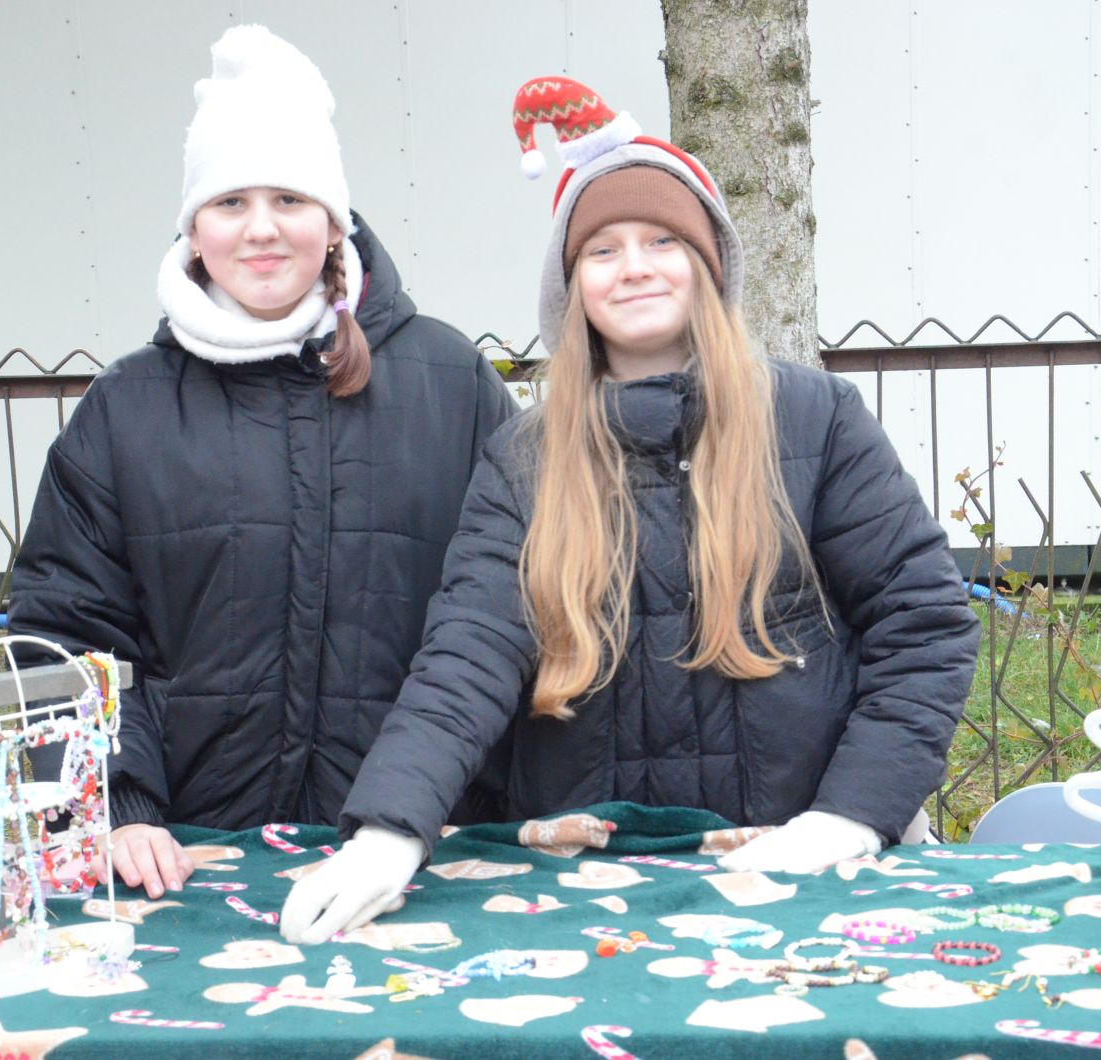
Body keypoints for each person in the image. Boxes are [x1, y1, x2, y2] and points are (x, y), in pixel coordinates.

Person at [279, 77, 980, 943]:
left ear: (708, 265)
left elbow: (923, 625)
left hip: (799, 865)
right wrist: (391, 829)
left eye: (662, 240)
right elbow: (467, 656)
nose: (636, 266)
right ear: (572, 286)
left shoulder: (815, 421)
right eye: (603, 250)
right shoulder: (525, 459)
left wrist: (851, 816)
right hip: (585, 890)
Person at [8, 27, 515, 900]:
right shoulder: (125, 409)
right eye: (230, 201)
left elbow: (508, 612)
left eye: (289, 197)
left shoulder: (451, 382)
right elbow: (65, 631)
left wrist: (434, 811)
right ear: (193, 229)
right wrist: (117, 805)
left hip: (425, 850)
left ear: (334, 221)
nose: (262, 229)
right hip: (185, 860)